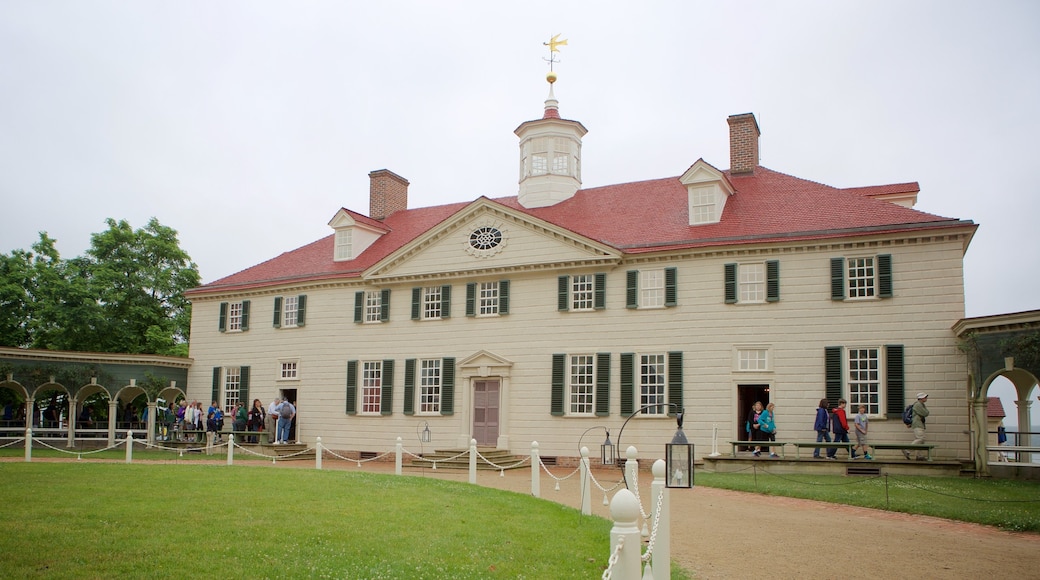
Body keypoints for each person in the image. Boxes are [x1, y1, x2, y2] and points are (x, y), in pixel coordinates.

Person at [905, 393, 930, 460]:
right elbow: (926, 413)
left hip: (920, 424)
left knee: (921, 440)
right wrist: (925, 411)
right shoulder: (918, 405)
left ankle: (919, 456)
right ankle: (907, 450)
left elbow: (926, 413)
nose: (926, 398)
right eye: (925, 397)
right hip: (917, 424)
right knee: (920, 438)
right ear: (922, 398)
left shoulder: (921, 405)